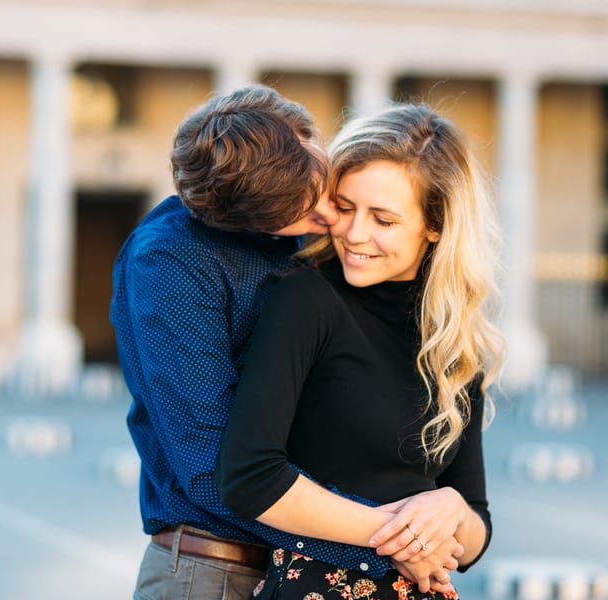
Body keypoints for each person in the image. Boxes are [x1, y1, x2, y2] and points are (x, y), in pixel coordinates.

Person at [111, 86, 458, 600]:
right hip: (219, 570)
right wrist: (390, 540)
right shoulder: (170, 264)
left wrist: (441, 506)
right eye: (305, 214)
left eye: (323, 188)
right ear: (241, 222)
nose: (331, 217)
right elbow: (213, 474)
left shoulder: (315, 232)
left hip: (319, 566)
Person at [215, 103, 505, 600]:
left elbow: (476, 530)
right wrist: (399, 537)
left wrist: (452, 508)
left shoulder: (456, 341)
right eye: (345, 208)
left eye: (383, 219)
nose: (354, 234)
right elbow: (249, 476)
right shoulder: (306, 299)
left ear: (435, 226)